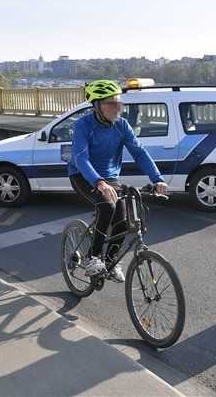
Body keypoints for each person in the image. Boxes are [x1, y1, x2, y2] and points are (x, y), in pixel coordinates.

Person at [68, 79, 168, 282]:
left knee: (123, 219)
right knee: (107, 207)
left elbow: (139, 153)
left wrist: (157, 179)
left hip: (110, 176)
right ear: (97, 106)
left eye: (119, 102)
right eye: (111, 103)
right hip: (83, 175)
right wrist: (99, 182)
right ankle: (93, 257)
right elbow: (80, 158)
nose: (118, 107)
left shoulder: (122, 126)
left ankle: (111, 261)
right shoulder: (83, 125)